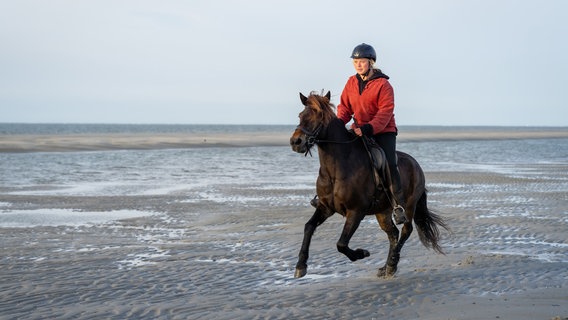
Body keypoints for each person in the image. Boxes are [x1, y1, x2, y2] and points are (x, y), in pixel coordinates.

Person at [337, 43, 406, 225]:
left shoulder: (383, 84)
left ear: (371, 62)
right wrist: (338, 123)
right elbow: (344, 107)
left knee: (389, 163)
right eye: (356, 61)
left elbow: (385, 112)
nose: (358, 64)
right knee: (340, 155)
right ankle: (327, 196)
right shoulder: (351, 82)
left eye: (362, 61)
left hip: (383, 131)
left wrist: (367, 128)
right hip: (359, 129)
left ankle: (399, 206)